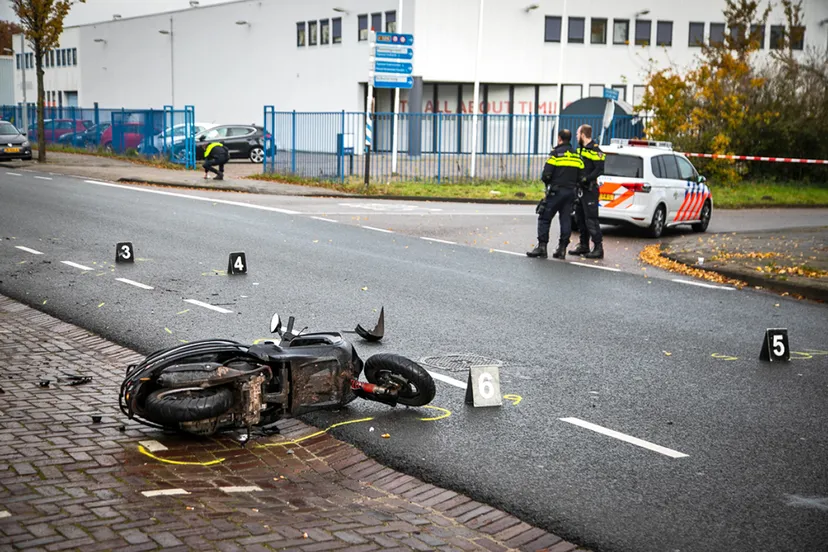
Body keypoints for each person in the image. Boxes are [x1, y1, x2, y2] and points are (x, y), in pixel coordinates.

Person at [527, 129, 584, 260]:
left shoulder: (556, 154)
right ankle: (562, 249)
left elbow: (546, 174)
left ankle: (542, 247)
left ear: (559, 138)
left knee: (544, 217)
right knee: (565, 220)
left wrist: (550, 183)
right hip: (571, 193)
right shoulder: (577, 156)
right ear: (570, 139)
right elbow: (581, 177)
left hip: (555, 192)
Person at [569, 124, 605, 259]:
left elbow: (600, 169)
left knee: (591, 219)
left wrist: (586, 178)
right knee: (580, 218)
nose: (577, 136)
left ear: (583, 135)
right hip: (579, 190)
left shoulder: (596, 150)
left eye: (578, 134)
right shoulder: (579, 150)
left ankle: (598, 248)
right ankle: (584, 245)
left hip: (590, 190)